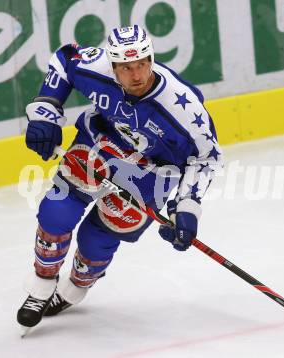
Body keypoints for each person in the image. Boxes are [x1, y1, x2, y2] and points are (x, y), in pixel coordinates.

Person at [17, 25, 223, 333]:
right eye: (126, 68)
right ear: (113, 66)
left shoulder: (181, 106)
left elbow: (207, 157)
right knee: (56, 212)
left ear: (151, 59)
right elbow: (65, 58)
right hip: (100, 145)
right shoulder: (97, 68)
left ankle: (73, 289)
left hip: (151, 174)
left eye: (142, 63)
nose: (137, 75)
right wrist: (46, 109)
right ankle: (42, 285)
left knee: (96, 241)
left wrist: (187, 207)